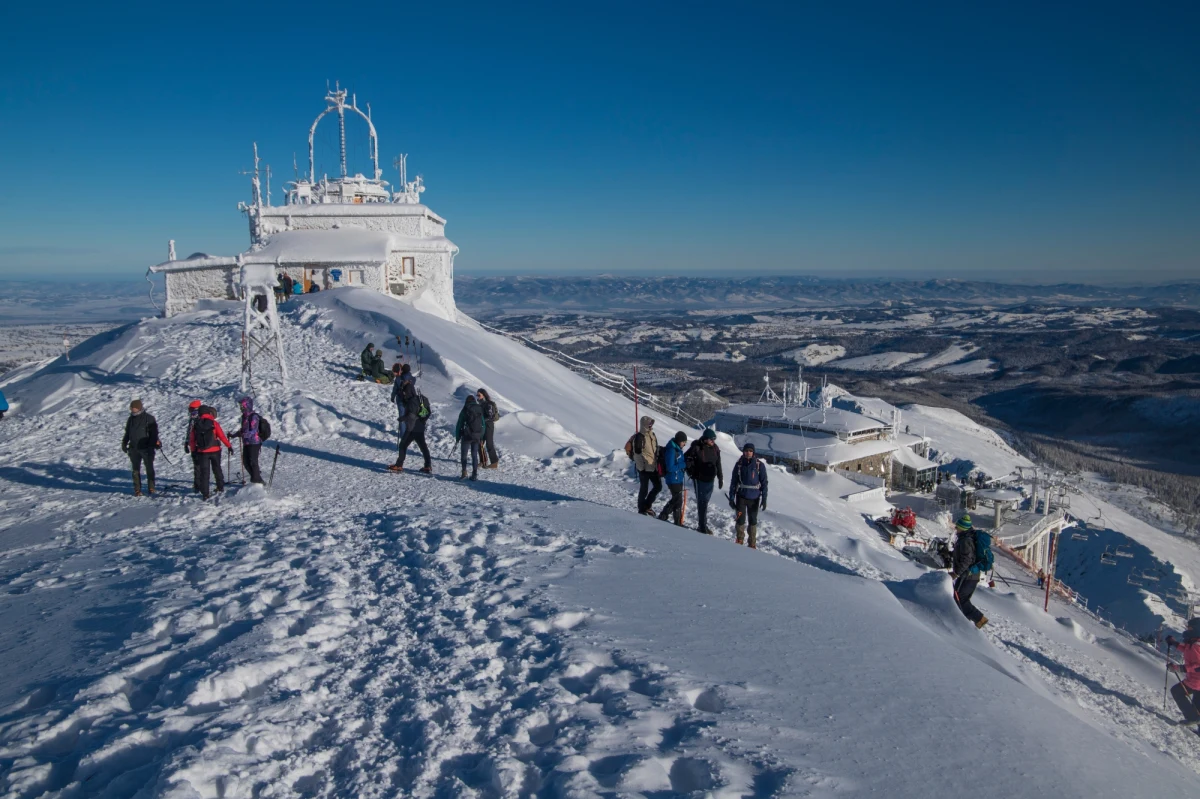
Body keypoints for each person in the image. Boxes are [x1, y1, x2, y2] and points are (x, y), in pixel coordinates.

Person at [949, 514, 989, 629]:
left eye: (957, 527)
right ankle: (964, 621)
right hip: (969, 575)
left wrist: (956, 573)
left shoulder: (966, 540)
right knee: (958, 598)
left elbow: (967, 560)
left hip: (969, 575)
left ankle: (979, 619)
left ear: (963, 528)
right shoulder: (965, 538)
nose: (956, 528)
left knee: (959, 599)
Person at [389, 367, 432, 474]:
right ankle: (428, 466)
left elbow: (411, 416)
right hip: (420, 427)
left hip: (412, 428)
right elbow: (428, 412)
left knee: (403, 445)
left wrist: (402, 418)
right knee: (423, 447)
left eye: (404, 393)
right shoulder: (420, 399)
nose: (404, 395)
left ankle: (399, 465)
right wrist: (423, 420)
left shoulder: (411, 402)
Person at [189, 404, 233, 499]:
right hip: (215, 450)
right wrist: (229, 446)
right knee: (217, 468)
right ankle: (220, 487)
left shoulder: (196, 424)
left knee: (205, 472)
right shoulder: (214, 423)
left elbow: (192, 440)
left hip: (202, 452)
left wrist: (193, 451)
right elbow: (221, 436)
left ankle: (205, 493)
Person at [729, 442, 768, 548]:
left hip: (754, 498)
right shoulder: (739, 464)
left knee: (753, 520)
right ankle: (739, 540)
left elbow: (764, 483)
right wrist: (731, 497)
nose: (748, 453)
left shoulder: (759, 465)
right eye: (746, 451)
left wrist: (764, 498)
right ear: (743, 452)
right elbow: (734, 482)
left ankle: (752, 543)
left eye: (750, 451)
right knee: (740, 519)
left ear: (753, 452)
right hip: (741, 496)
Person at [684, 428, 723, 534]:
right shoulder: (697, 447)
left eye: (714, 439)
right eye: (711, 439)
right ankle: (702, 526)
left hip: (710, 480)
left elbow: (718, 463)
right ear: (705, 439)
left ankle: (703, 525)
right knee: (702, 502)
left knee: (705, 501)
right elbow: (686, 458)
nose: (713, 441)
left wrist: (720, 477)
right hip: (699, 479)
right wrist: (691, 471)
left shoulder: (715, 448)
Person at [121, 399, 161, 496]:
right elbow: (127, 433)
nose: (132, 410)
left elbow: (154, 434)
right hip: (134, 448)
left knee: (149, 468)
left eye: (134, 408)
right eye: (131, 408)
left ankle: (151, 487)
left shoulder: (149, 418)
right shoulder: (130, 419)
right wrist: (124, 443)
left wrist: (151, 446)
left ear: (139, 408)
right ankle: (137, 489)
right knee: (135, 470)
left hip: (146, 448)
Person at [1166, 622, 1200, 729]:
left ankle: (1192, 718)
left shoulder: (1196, 645)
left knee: (1177, 691)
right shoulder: (1193, 642)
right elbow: (1186, 649)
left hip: (1196, 681)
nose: (1187, 630)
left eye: (1190, 628)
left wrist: (1180, 668)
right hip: (1195, 680)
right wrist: (1174, 643)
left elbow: (1198, 666)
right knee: (1197, 706)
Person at [630, 416, 661, 516]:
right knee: (644, 489)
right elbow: (637, 454)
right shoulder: (640, 437)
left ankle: (646, 506)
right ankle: (641, 509)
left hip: (652, 466)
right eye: (649, 424)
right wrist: (641, 468)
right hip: (643, 468)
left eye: (651, 423)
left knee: (658, 486)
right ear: (644, 425)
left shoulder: (652, 435)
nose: (651, 425)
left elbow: (655, 450)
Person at [232, 397, 266, 484]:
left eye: (242, 406)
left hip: (254, 442)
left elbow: (253, 431)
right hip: (246, 442)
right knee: (246, 462)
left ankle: (257, 480)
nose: (241, 408)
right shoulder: (244, 417)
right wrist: (234, 435)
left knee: (253, 461)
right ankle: (255, 478)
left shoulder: (253, 416)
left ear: (247, 405)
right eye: (240, 406)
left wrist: (243, 434)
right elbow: (243, 430)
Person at [657, 431, 689, 526]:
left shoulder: (677, 449)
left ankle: (676, 521)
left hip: (677, 478)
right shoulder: (671, 450)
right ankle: (664, 515)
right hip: (673, 479)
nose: (684, 444)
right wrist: (683, 465)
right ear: (679, 441)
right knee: (677, 499)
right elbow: (670, 468)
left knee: (678, 500)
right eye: (683, 442)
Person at [455, 394, 484, 480]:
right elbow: (483, 424)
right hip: (477, 435)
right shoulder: (479, 409)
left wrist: (457, 437)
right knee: (474, 455)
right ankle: (474, 474)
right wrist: (481, 436)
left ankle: (464, 472)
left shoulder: (465, 409)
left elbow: (459, 424)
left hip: (467, 436)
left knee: (464, 455)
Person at [476, 388, 500, 468]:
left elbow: (490, 416)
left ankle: (494, 462)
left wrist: (481, 420)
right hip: (482, 426)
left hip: (489, 426)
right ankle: (483, 461)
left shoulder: (488, 404)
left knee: (489, 444)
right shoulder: (480, 404)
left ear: (483, 395)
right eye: (477, 395)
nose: (477, 396)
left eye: (479, 395)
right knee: (480, 443)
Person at [183, 399, 203, 492]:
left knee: (197, 466)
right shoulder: (204, 417)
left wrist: (187, 442)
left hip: (195, 446)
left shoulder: (193, 419)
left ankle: (197, 485)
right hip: (203, 445)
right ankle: (202, 485)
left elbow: (189, 432)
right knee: (202, 466)